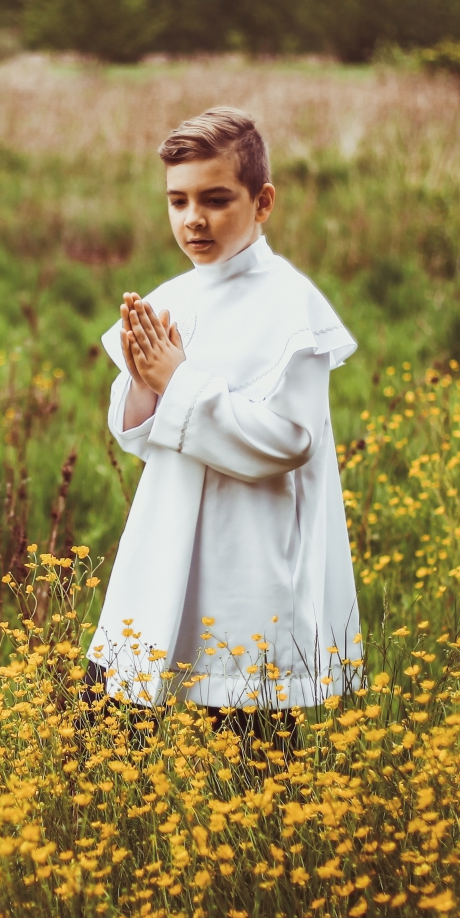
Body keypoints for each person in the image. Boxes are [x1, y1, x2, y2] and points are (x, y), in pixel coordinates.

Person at [86, 107, 363, 748]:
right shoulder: (172, 297)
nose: (194, 219)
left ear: (262, 202)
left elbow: (290, 441)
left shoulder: (290, 305)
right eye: (177, 201)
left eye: (215, 199)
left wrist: (179, 380)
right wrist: (144, 380)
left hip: (250, 550)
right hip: (166, 534)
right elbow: (138, 436)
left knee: (246, 733)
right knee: (108, 717)